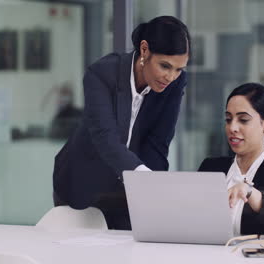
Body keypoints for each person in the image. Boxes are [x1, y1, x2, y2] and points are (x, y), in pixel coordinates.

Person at [53, 16, 191, 230]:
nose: (170, 77)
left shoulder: (175, 83)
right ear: (145, 50)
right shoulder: (102, 74)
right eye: (165, 66)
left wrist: (153, 193)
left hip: (124, 195)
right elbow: (105, 138)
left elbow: (158, 142)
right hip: (81, 183)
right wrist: (144, 178)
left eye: (179, 69)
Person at [198, 83, 264, 238]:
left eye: (243, 120)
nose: (232, 127)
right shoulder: (211, 167)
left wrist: (252, 194)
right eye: (228, 119)